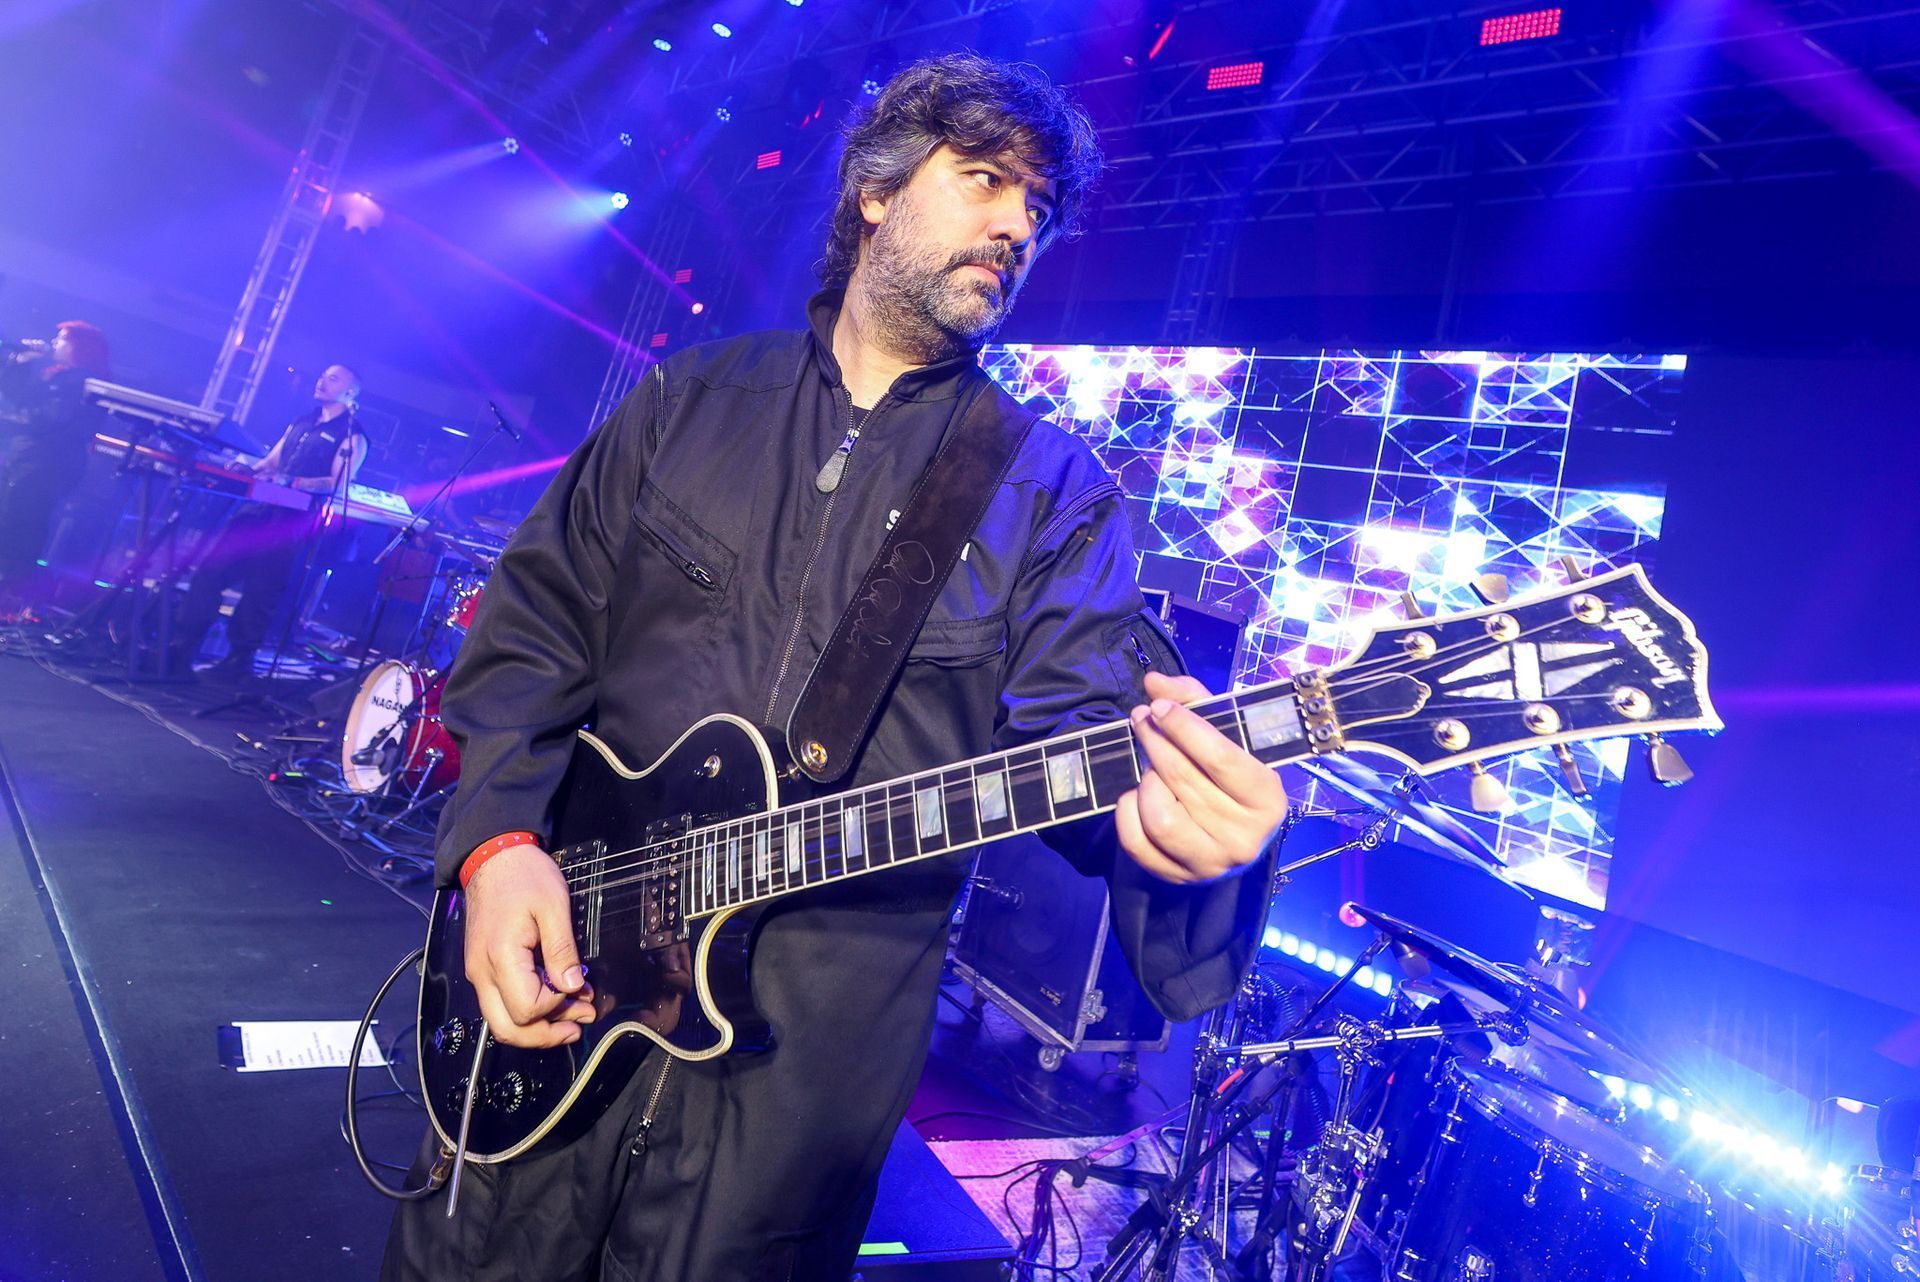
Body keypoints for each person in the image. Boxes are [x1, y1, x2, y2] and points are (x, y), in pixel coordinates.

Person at [384, 53, 1289, 1281]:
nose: (1018, 225)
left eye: (1038, 205)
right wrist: (496, 845)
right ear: (875, 191)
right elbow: (532, 631)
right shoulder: (693, 399)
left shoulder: (1053, 496)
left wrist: (1196, 836)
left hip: (787, 1105)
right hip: (556, 996)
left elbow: (1087, 754)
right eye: (986, 180)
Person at [172, 363, 369, 675]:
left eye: (333, 379)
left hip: (292, 523)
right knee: (210, 571)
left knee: (261, 591)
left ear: (351, 392)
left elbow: (338, 483)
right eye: (322, 375)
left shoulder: (352, 435)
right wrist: (246, 470)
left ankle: (239, 660)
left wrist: (294, 482)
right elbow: (271, 462)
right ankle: (182, 646)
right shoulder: (302, 422)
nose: (322, 381)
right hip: (258, 511)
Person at [0, 320, 110, 616]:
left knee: (21, 525)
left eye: (62, 339)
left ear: (80, 347)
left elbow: (49, 419)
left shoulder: (81, 382)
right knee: (11, 520)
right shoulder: (58, 375)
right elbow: (18, 398)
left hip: (46, 464)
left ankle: (9, 598)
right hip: (28, 457)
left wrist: (9, 424)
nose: (54, 343)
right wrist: (20, 363)